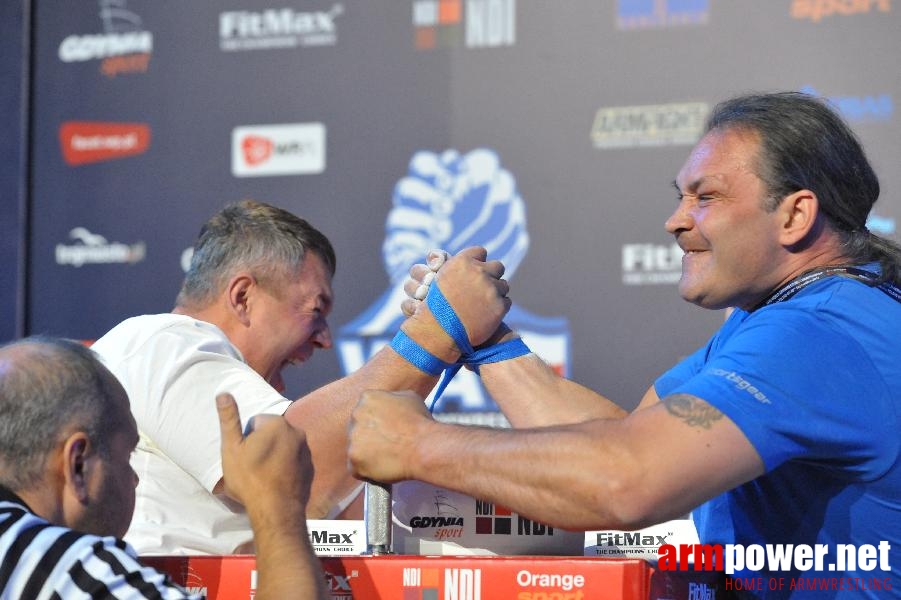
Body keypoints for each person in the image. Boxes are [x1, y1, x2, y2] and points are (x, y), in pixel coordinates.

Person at [347, 92, 901, 595]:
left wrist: (417, 444)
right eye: (681, 196)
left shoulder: (816, 333)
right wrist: (487, 342)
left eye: (705, 197)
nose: (675, 221)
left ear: (795, 215)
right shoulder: (798, 311)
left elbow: (626, 479)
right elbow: (627, 436)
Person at [90, 199, 510, 554]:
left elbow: (340, 514)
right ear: (242, 297)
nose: (325, 339)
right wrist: (437, 330)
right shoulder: (158, 342)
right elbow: (291, 482)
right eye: (314, 310)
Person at [0, 336, 327, 599]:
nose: (136, 478)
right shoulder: (72, 567)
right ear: (78, 464)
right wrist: (276, 504)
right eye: (127, 456)